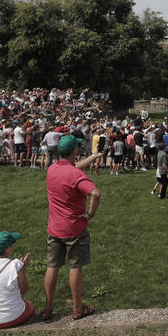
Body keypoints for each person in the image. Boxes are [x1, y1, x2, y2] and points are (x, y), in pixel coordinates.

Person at [42, 133, 100, 321]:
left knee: (53, 266)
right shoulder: (75, 174)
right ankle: (77, 308)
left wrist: (93, 157)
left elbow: (71, 169)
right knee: (75, 267)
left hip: (54, 228)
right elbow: (95, 193)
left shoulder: (51, 169)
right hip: (74, 228)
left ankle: (48, 308)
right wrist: (90, 215)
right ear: (75, 150)